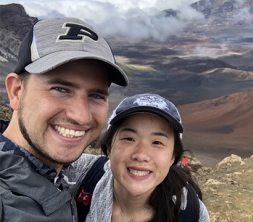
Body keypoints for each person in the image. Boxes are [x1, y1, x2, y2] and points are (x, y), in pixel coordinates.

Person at [0, 17, 128, 222]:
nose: (81, 115)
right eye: (60, 89)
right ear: (16, 92)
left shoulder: (60, 174)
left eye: (96, 95)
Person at [72, 93, 210, 222]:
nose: (141, 155)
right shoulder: (77, 173)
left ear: (173, 157)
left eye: (157, 142)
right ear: (109, 147)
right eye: (129, 138)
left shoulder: (191, 213)